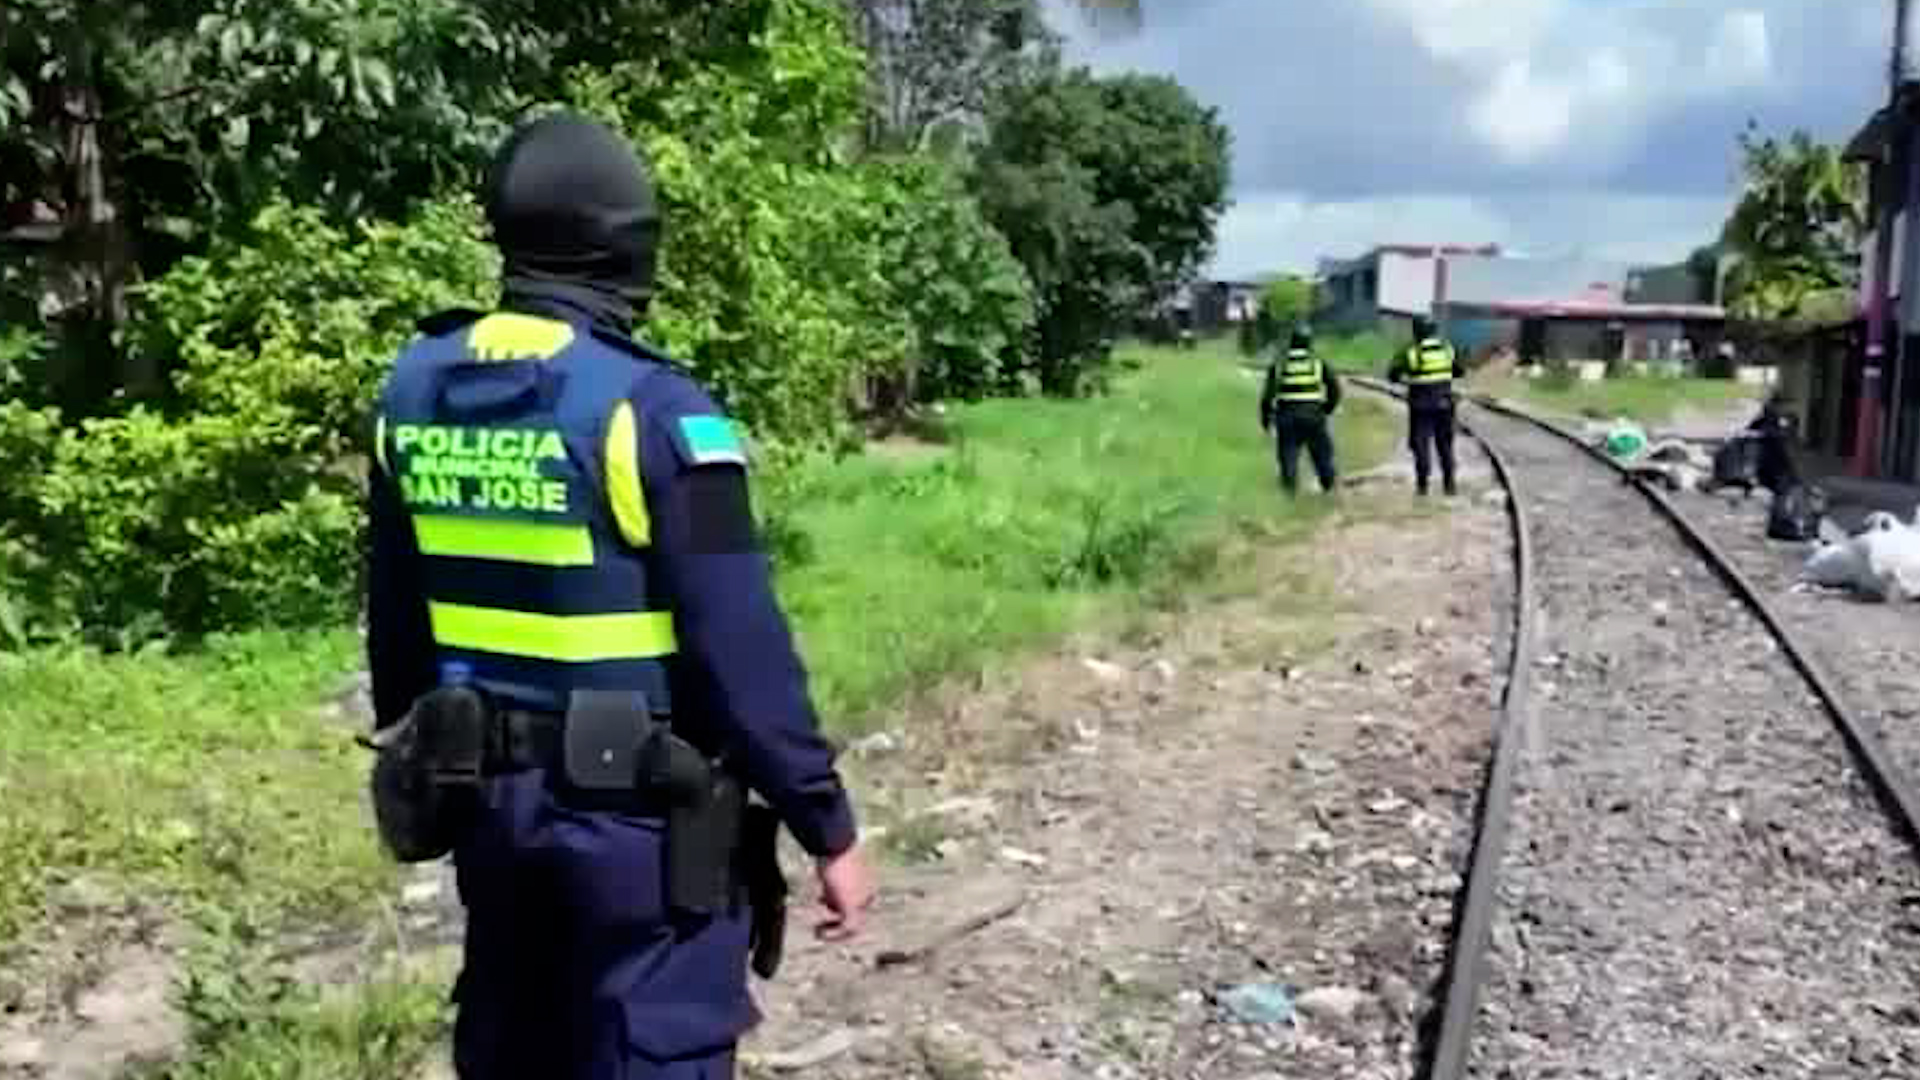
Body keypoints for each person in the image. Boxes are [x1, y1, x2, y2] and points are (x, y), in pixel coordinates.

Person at [361, 109, 874, 1080]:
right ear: (626, 246)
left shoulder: (412, 392)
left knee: (517, 1045)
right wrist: (827, 827)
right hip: (638, 833)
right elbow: (743, 652)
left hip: (489, 809)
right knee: (650, 1046)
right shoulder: (655, 413)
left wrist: (417, 753)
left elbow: (396, 624)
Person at [1386, 316, 1465, 496]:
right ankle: (1450, 485)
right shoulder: (1447, 348)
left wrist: (1406, 378)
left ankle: (1422, 486)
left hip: (1421, 406)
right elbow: (1460, 370)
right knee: (1445, 445)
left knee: (1420, 444)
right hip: (1445, 403)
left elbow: (1392, 374)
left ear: (1416, 330)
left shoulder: (1411, 351)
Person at [1258, 325, 1341, 494]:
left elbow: (1267, 396)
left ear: (1292, 342)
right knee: (1322, 455)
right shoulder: (1318, 362)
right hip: (1314, 415)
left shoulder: (1280, 363)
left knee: (1288, 457)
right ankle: (1329, 488)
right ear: (1309, 342)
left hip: (1287, 416)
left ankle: (1290, 494)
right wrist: (1327, 408)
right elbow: (1335, 389)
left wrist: (1266, 419)